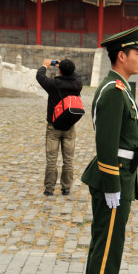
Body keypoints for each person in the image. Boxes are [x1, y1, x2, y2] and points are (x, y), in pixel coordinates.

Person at [81, 24, 138, 274]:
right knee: (105, 249)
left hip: (122, 177)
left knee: (112, 247)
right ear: (121, 55)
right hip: (115, 179)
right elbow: (106, 145)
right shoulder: (112, 91)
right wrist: (111, 186)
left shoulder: (120, 87)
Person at [36, 58, 82, 196]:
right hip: (70, 126)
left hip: (53, 126)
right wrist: (66, 66)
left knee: (51, 159)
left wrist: (44, 65)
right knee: (68, 159)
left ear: (60, 70)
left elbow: (40, 76)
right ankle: (66, 187)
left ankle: (49, 189)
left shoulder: (54, 84)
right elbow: (76, 75)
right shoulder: (78, 83)